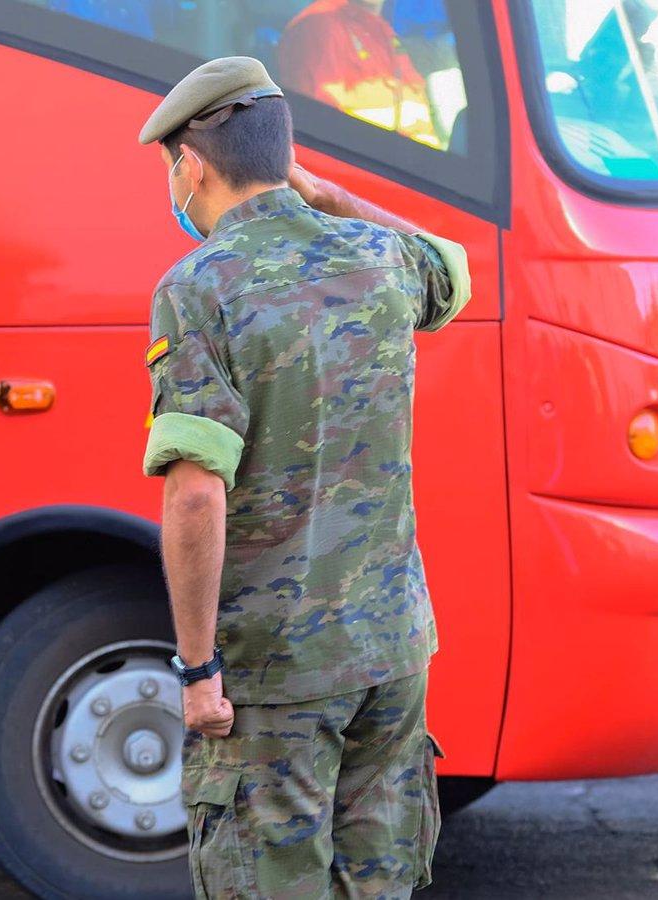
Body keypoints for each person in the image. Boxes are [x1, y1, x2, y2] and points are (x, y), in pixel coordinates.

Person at [136, 57, 471, 898]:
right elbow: (450, 269)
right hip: (391, 655)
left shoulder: (199, 287)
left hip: (276, 675)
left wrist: (196, 666)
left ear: (191, 165)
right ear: (283, 158)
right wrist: (321, 197)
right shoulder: (379, 259)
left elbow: (196, 489)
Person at [277, 0, 442, 148]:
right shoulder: (318, 25)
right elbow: (323, 130)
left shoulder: (381, 29)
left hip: (414, 163)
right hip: (373, 167)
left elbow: (415, 98)